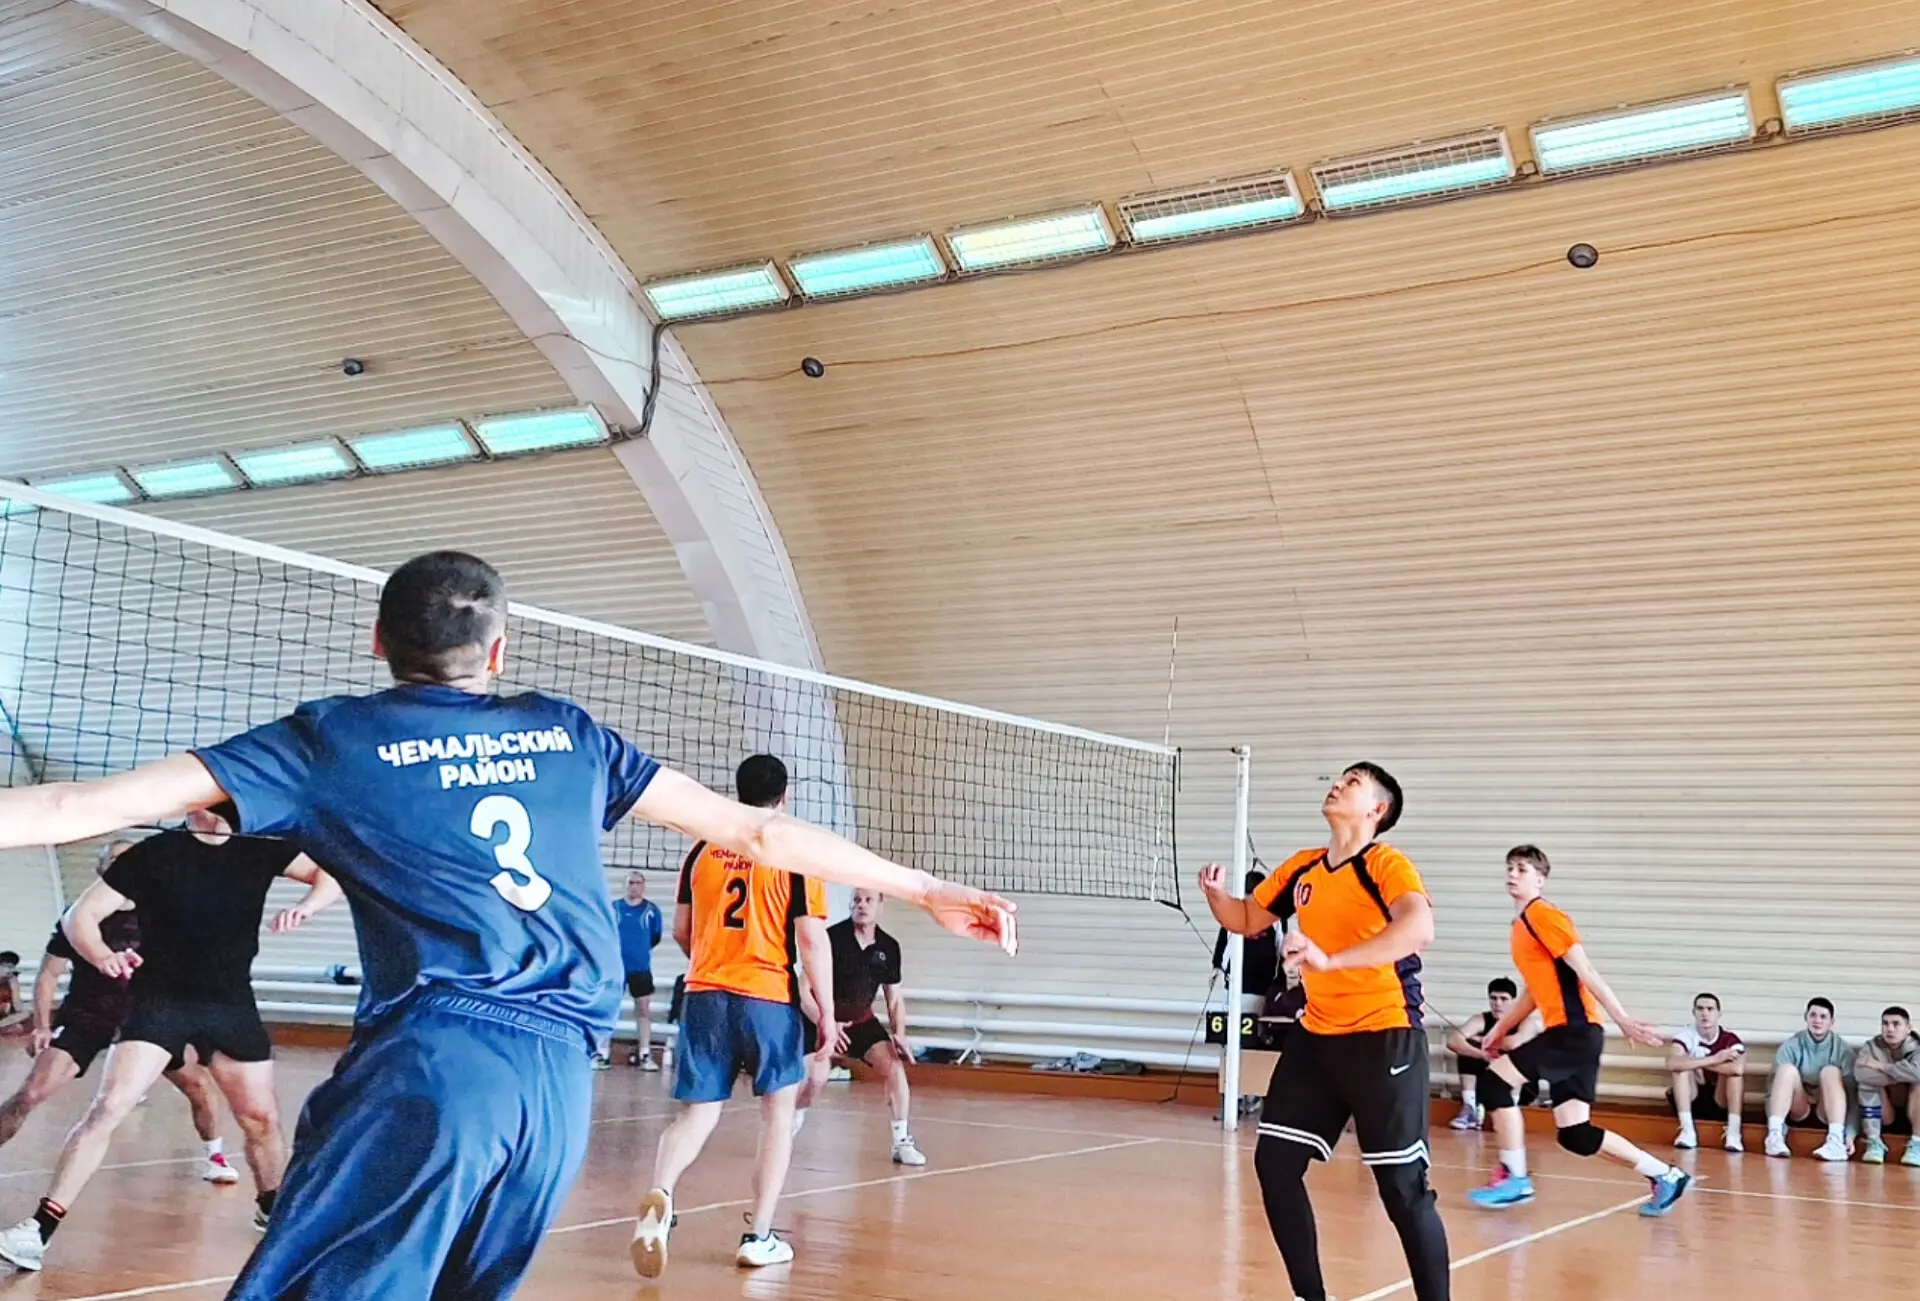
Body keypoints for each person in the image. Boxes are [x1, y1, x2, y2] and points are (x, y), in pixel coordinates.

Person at [0, 550, 1017, 1299]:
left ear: (378, 641)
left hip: (437, 1068)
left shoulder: (329, 740)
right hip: (556, 1092)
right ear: (498, 648)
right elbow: (759, 830)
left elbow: (70, 807)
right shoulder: (568, 731)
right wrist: (922, 884)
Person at [0, 810, 338, 1272]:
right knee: (109, 1107)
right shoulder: (154, 853)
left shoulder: (262, 847)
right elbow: (82, 916)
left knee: (260, 1119)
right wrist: (102, 956)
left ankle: (271, 1209)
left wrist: (308, 906)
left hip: (230, 1006)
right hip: (159, 1005)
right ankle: (38, 1231)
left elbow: (327, 875)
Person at [1201, 763, 1449, 1301]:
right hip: (1317, 1039)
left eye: (1352, 782)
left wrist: (1332, 960)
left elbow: (1418, 928)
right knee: (1275, 1164)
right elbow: (1246, 919)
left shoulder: (1386, 864)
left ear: (1377, 809)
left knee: (1402, 1190)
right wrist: (1216, 896)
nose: (1337, 784)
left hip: (1384, 1035)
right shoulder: (1303, 868)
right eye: (1339, 778)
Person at [631, 755, 836, 1275]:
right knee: (779, 1115)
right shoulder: (795, 853)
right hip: (767, 996)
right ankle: (758, 1236)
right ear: (784, 797)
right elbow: (811, 939)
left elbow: (682, 930)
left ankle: (661, 1193)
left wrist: (712, 964)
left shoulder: (703, 850)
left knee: (696, 1115)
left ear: (737, 794)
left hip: (704, 995)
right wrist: (828, 1013)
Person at [0, 839, 241, 1187]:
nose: (121, 866)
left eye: (128, 860)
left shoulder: (162, 915)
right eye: (113, 860)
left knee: (198, 1086)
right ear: (100, 869)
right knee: (32, 1092)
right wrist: (41, 1026)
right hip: (87, 1017)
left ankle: (215, 1156)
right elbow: (49, 975)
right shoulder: (79, 916)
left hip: (147, 1022)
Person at [1467, 846, 1688, 1218]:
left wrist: (1621, 1017)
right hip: (1575, 1035)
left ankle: (1515, 1178)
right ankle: (1667, 1175)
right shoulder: (1520, 927)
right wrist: (1500, 1029)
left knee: (1493, 1084)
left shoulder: (1544, 915)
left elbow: (1585, 970)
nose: (1513, 874)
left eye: (1522, 869)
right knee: (1576, 1134)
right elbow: (1535, 991)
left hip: (1573, 1032)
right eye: (1510, 868)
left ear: (1541, 879)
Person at [795, 888, 926, 1166]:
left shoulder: (889, 947)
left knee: (894, 1068)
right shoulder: (831, 938)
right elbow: (803, 989)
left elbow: (894, 999)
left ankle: (902, 1142)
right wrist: (825, 1021)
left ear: (880, 906)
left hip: (861, 1022)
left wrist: (899, 1033)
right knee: (815, 1077)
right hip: (823, 1021)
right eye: (856, 900)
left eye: (868, 900)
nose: (862, 905)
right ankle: (793, 1120)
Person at [1445, 977, 1543, 1130]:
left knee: (1516, 1052)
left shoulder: (1525, 1022)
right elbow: (1453, 1041)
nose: (1498, 1003)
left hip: (1521, 1087)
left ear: (1514, 1001)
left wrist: (1483, 1041)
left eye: (1503, 999)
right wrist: (1482, 1054)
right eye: (1493, 998)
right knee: (1468, 1046)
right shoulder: (1481, 1019)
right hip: (1488, 1080)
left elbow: (1514, 1044)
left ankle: (1511, 1109)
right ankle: (1470, 1108)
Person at [1765, 997, 1854, 1161]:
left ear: (1832, 1022)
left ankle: (1836, 1142)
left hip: (1827, 1112)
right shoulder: (1791, 1045)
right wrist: (1778, 1127)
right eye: (1813, 1015)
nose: (1817, 1020)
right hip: (1798, 1108)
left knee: (1830, 1071)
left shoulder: (1843, 1050)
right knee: (1786, 1069)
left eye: (1823, 1016)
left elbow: (1853, 1097)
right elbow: (1771, 1091)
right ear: (1805, 1018)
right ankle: (1775, 1136)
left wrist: (1849, 1134)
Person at [1666, 991, 1748, 1152]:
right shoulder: (1685, 1035)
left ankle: (1733, 1133)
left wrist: (1697, 1062)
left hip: (1720, 1098)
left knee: (1734, 1076)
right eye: (1700, 1009)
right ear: (1694, 1012)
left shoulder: (1730, 1039)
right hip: (1693, 1095)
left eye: (1710, 1009)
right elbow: (1672, 1063)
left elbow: (1737, 1068)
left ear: (1719, 1013)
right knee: (1680, 1070)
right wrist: (1716, 1058)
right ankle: (1687, 1130)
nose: (1705, 1013)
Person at [1854, 1005, 1920, 1166]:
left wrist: (1881, 1066)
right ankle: (1874, 1142)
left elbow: (1918, 1073)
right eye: (1885, 1023)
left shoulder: (1917, 1047)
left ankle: (1917, 1144)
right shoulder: (1871, 1046)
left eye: (1896, 1024)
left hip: (1913, 1109)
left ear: (1908, 1028)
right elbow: (1861, 1073)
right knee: (1867, 1084)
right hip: (1885, 1111)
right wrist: (1903, 1075)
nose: (1890, 1029)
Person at [611, 871, 663, 1070]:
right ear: (624, 885)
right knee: (609, 1008)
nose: (634, 886)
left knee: (643, 1010)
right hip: (616, 968)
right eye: (630, 883)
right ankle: (601, 1052)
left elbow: (655, 936)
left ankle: (645, 1054)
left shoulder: (651, 911)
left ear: (643, 885)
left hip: (640, 969)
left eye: (638, 883)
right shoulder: (614, 908)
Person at [0, 952, 25, 1035]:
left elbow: (17, 1004)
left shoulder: (13, 980)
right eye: (5, 966)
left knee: (25, 1014)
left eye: (12, 967)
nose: (8, 970)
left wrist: (21, 1011)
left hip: (4, 1016)